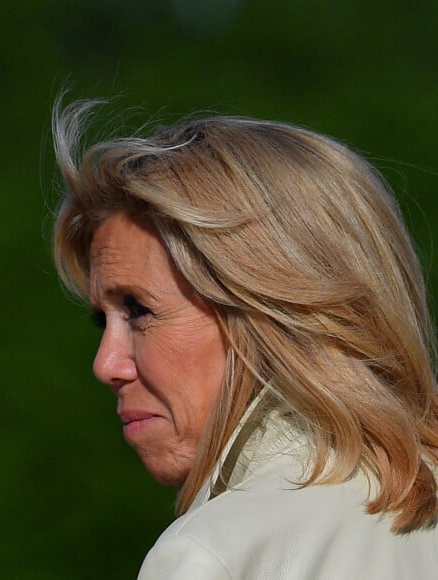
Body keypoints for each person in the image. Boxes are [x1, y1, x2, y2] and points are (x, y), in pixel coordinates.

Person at [51, 98, 438, 579]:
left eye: (139, 310)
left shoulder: (211, 556)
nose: (106, 364)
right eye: (101, 320)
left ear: (271, 311)